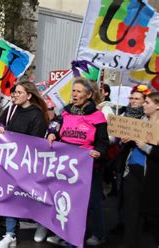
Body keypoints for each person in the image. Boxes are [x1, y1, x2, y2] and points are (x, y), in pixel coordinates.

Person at [46, 77, 109, 247]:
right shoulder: (66, 112)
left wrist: (99, 152)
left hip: (89, 167)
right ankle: (67, 234)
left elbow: (103, 142)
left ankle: (98, 233)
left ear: (88, 95)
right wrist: (52, 133)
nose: (74, 94)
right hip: (66, 165)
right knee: (67, 201)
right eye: (73, 91)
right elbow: (54, 126)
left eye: (79, 91)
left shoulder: (98, 116)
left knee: (92, 202)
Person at [0, 81, 49, 248]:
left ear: (29, 95)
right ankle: (10, 234)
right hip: (11, 160)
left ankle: (43, 222)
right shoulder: (12, 109)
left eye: (18, 92)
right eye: (14, 92)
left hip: (27, 163)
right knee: (10, 196)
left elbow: (35, 142)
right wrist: (1, 128)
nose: (14, 95)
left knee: (31, 197)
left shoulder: (37, 115)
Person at [118, 92, 159, 248]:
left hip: (152, 176)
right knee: (131, 213)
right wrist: (126, 140)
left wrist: (146, 147)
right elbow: (128, 143)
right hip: (132, 171)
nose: (143, 104)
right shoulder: (141, 121)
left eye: (147, 102)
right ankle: (129, 243)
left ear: (157, 105)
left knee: (152, 216)